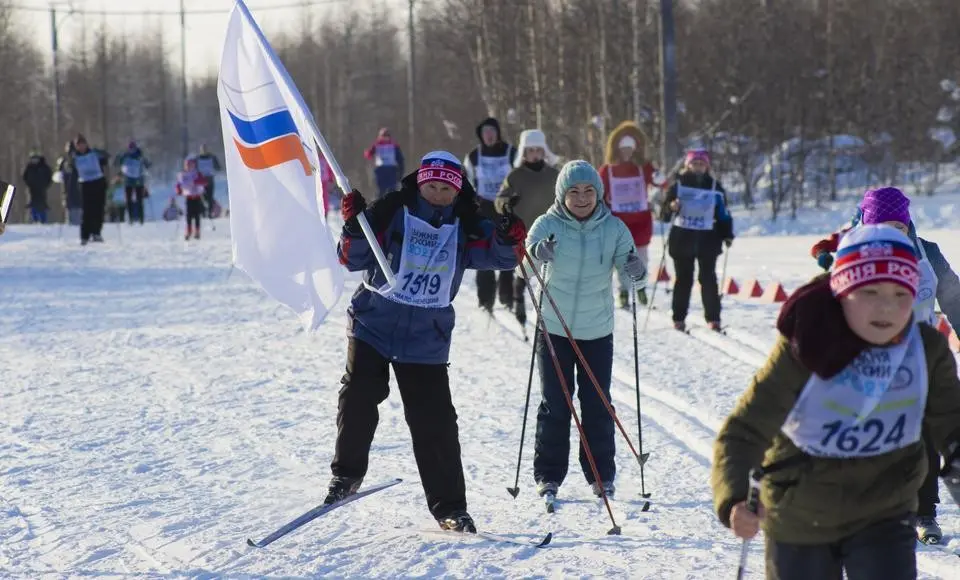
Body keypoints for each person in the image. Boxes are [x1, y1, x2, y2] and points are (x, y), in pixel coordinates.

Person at [711, 224, 960, 579]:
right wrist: (734, 496)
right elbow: (745, 429)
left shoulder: (926, 350)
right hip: (800, 510)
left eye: (900, 294)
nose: (887, 307)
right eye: (871, 292)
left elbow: (953, 431)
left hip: (884, 511)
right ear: (842, 293)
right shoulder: (807, 342)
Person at [328, 151, 525, 532]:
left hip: (426, 336)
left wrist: (509, 236)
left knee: (435, 421)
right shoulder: (390, 213)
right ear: (420, 185)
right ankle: (346, 477)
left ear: (456, 192)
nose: (437, 194)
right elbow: (350, 259)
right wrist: (354, 226)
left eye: (446, 189)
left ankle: (450, 507)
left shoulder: (466, 224)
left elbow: (501, 257)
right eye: (431, 186)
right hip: (375, 321)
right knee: (359, 393)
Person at [809, 186, 960, 543]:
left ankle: (924, 514)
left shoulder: (929, 254)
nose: (895, 233)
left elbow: (953, 298)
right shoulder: (853, 254)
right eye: (885, 226)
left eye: (900, 225)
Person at [526, 160, 647, 500]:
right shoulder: (546, 225)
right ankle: (548, 476)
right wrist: (536, 253)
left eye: (588, 191)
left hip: (596, 330)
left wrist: (636, 271)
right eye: (574, 192)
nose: (582, 198)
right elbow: (523, 269)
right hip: (553, 327)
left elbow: (632, 275)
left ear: (599, 193)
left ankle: (600, 475)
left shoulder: (614, 229)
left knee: (597, 403)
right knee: (556, 403)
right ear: (562, 194)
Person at [659, 149, 734, 332]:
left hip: (708, 240)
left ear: (707, 166)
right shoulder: (678, 185)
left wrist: (727, 234)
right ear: (687, 165)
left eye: (701, 164)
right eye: (694, 163)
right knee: (684, 279)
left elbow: (723, 213)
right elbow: (663, 215)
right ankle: (678, 317)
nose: (698, 167)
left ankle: (713, 318)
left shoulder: (715, 186)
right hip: (682, 240)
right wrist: (671, 206)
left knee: (708, 279)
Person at [494, 129, 560, 327]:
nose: (535, 154)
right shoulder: (515, 176)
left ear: (544, 151)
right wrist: (507, 203)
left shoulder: (554, 174)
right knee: (524, 271)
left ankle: (551, 310)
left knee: (552, 273)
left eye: (538, 149)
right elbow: (499, 200)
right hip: (524, 231)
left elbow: (567, 195)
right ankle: (519, 301)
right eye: (530, 150)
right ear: (524, 152)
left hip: (551, 230)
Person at [598, 121, 665, 309]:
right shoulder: (608, 169)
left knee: (641, 258)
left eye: (630, 149)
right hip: (619, 222)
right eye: (623, 149)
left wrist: (660, 179)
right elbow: (597, 190)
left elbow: (661, 182)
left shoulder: (643, 167)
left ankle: (641, 286)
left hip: (641, 221)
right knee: (622, 259)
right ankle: (624, 291)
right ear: (617, 150)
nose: (627, 153)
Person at [463, 117, 519, 314]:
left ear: (497, 133)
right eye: (485, 132)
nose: (489, 135)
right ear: (481, 135)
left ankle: (506, 297)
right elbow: (467, 184)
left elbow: (520, 178)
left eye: (492, 131)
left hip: (506, 209)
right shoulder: (473, 157)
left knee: (507, 252)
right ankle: (485, 300)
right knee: (482, 253)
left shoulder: (511, 152)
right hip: (483, 209)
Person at [74, 135, 109, 245]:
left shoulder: (94, 154)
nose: (81, 147)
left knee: (98, 208)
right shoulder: (75, 157)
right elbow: (69, 168)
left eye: (83, 144)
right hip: (85, 184)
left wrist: (102, 154)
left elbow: (106, 159)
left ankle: (96, 232)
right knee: (87, 210)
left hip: (98, 181)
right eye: (79, 145)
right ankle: (85, 235)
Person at [114, 141, 151, 224]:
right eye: (130, 148)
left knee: (139, 200)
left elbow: (148, 164)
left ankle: (141, 218)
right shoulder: (125, 156)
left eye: (133, 148)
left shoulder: (140, 155)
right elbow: (116, 163)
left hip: (138, 179)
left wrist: (146, 162)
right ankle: (130, 218)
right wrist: (118, 157)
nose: (132, 150)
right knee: (128, 200)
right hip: (128, 180)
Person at [363, 128, 405, 197]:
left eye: (386, 136)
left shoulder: (394, 146)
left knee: (392, 190)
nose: (385, 138)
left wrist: (400, 172)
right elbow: (369, 154)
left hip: (391, 170)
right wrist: (367, 153)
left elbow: (400, 159)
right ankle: (379, 205)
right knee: (381, 190)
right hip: (381, 170)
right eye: (383, 136)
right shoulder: (377, 145)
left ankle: (392, 205)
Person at [176, 157, 207, 241]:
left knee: (197, 215)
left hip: (197, 197)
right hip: (188, 197)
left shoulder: (197, 173)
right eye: (187, 165)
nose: (189, 166)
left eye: (191, 165)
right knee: (188, 216)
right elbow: (179, 185)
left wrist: (196, 182)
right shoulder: (183, 174)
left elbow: (204, 182)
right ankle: (188, 231)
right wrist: (178, 190)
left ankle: (197, 231)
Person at [22, 149, 53, 224]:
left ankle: (43, 221)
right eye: (33, 158)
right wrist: (29, 184)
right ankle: (34, 220)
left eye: (36, 158)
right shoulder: (29, 167)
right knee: (33, 205)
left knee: (42, 204)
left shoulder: (44, 167)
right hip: (32, 189)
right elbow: (25, 177)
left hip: (42, 189)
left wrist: (45, 185)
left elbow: (49, 177)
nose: (35, 160)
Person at [56, 141, 82, 226]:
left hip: (78, 193)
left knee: (78, 215)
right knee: (70, 218)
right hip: (68, 193)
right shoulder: (64, 162)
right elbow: (57, 177)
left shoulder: (79, 160)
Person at [195, 144, 222, 218]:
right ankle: (202, 213)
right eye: (202, 149)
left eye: (205, 149)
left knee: (210, 197)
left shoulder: (212, 157)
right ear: (200, 150)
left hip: (210, 180)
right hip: (201, 181)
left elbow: (218, 167)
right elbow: (194, 169)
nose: (204, 150)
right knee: (201, 197)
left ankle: (210, 213)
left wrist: (215, 168)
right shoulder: (197, 158)